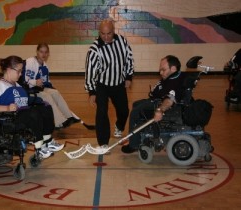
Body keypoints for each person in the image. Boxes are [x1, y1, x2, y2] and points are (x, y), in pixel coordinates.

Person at [0, 55, 64, 159]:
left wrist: (40, 101)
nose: (21, 74)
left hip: (22, 115)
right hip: (9, 119)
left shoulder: (18, 86)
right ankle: (40, 148)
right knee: (33, 113)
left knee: (46, 108)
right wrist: (7, 108)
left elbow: (24, 101)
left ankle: (47, 141)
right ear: (9, 69)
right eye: (19, 71)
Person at [85, 19, 134, 149]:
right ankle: (103, 143)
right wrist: (92, 92)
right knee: (102, 113)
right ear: (99, 33)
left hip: (119, 84)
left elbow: (129, 58)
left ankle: (119, 126)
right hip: (102, 85)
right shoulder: (94, 49)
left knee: (124, 111)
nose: (106, 37)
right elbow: (90, 72)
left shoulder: (122, 41)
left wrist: (128, 77)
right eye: (103, 34)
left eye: (109, 33)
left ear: (114, 31)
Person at [121, 55, 186, 153]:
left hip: (161, 105)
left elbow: (169, 100)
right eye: (160, 70)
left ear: (173, 68)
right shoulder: (171, 77)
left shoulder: (175, 81)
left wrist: (160, 110)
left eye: (163, 70)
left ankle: (133, 145)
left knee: (135, 112)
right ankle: (141, 136)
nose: (161, 73)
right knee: (136, 104)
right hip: (156, 100)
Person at [22, 43, 80, 129]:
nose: (44, 54)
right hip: (29, 90)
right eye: (41, 52)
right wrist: (35, 82)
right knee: (47, 96)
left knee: (55, 92)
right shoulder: (30, 62)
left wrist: (52, 87)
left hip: (39, 89)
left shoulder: (45, 66)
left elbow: (47, 82)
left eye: (46, 52)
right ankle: (59, 122)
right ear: (37, 52)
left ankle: (69, 116)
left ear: (48, 53)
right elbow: (25, 80)